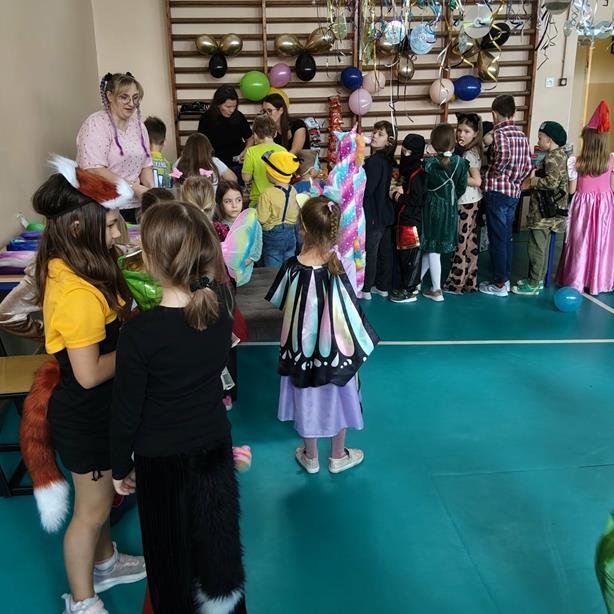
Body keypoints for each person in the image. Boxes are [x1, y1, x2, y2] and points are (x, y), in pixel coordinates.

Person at [111, 202, 246, 613]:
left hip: (161, 461)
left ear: (152, 260)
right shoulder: (220, 307)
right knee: (218, 558)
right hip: (213, 447)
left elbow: (126, 411)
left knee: (170, 563)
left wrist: (119, 469)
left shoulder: (139, 333)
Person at [29, 163, 146, 614]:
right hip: (87, 413)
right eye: (112, 224)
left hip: (99, 410)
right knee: (90, 513)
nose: (119, 233)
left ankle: (106, 562)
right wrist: (139, 345)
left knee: (100, 502)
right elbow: (89, 373)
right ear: (79, 227)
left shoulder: (71, 265)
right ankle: (81, 600)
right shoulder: (77, 293)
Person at [265, 195, 379, 473]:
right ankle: (338, 456)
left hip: (301, 354)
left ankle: (310, 456)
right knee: (339, 397)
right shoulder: (339, 265)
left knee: (306, 400)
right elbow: (351, 307)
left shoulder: (291, 268)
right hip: (336, 352)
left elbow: (281, 302)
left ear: (301, 228)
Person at [76, 72, 154, 221]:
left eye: (135, 98)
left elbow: (146, 165)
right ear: (110, 96)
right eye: (124, 97)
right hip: (102, 206)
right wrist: (133, 187)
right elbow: (94, 169)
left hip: (134, 205)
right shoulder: (96, 124)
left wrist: (152, 191)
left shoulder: (139, 127)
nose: (131, 103)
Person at [556, 101, 614, 295]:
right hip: (605, 205)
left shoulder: (576, 162)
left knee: (581, 241)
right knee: (601, 241)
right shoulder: (611, 160)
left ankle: (577, 278)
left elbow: (572, 189)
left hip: (583, 205)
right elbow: (612, 187)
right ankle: (599, 280)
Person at [479, 95, 532, 297]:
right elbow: (529, 164)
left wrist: (493, 173)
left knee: (497, 239)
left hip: (498, 191)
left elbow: (502, 157)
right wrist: (516, 179)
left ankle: (499, 283)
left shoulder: (499, 134)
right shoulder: (522, 135)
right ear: (514, 112)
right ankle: (505, 279)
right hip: (514, 192)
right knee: (507, 237)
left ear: (494, 114)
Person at [512, 121, 569, 295]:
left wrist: (532, 181)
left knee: (535, 247)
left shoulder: (552, 157)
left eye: (540, 138)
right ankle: (537, 279)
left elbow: (551, 183)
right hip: (552, 210)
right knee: (541, 247)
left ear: (549, 140)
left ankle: (533, 283)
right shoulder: (560, 155)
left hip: (544, 212)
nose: (538, 141)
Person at [420, 124, 469, 302]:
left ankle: (436, 289)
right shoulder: (461, 162)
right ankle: (416, 281)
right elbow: (462, 187)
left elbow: (424, 187)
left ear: (434, 143)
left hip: (433, 208)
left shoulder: (429, 164)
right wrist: (451, 197)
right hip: (450, 208)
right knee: (432, 247)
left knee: (433, 248)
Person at [443, 113, 483, 294]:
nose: (461, 134)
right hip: (470, 201)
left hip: (466, 203)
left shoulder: (469, 154)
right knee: (469, 242)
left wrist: (455, 175)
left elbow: (477, 180)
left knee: (461, 242)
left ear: (475, 134)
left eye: (467, 131)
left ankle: (456, 283)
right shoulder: (466, 150)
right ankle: (469, 281)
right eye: (459, 130)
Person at [360, 121, 397, 300]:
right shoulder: (387, 160)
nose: (374, 136)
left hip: (374, 213)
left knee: (371, 253)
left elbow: (368, 190)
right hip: (385, 212)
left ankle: (366, 288)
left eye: (380, 134)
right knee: (384, 252)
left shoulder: (374, 161)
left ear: (388, 141)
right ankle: (382, 286)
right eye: (374, 132)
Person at [389, 134, 426, 303]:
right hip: (403, 219)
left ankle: (409, 291)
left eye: (408, 152)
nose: (404, 154)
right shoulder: (408, 171)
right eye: (403, 150)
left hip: (411, 222)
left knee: (410, 257)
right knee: (404, 256)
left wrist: (396, 196)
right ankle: (407, 285)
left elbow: (417, 200)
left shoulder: (418, 174)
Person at [257, 151, 300, 267]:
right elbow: (295, 213)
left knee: (273, 266)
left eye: (267, 171)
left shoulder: (267, 193)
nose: (266, 173)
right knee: (289, 262)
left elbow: (262, 218)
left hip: (272, 235)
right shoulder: (293, 190)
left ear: (274, 173)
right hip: (291, 233)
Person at [198, 85, 253, 173]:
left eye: (234, 106)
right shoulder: (207, 118)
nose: (232, 110)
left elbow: (250, 138)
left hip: (237, 164)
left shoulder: (238, 116)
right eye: (228, 107)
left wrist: (245, 151)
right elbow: (201, 144)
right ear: (218, 104)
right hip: (216, 165)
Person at [215, 179, 263, 268]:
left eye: (238, 200)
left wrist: (239, 265)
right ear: (220, 203)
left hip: (245, 270)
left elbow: (255, 252)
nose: (234, 205)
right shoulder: (216, 226)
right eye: (228, 201)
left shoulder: (252, 224)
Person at [242, 115, 286, 207]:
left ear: (255, 135)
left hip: (259, 199)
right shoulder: (283, 150)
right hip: (280, 198)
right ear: (275, 133)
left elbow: (246, 177)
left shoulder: (251, 151)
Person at [144, 116, 172, 188]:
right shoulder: (167, 164)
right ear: (164, 142)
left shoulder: (142, 163)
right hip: (165, 195)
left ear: (144, 140)